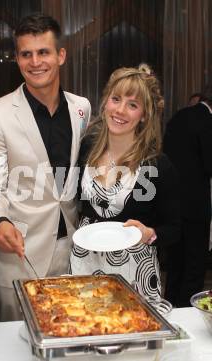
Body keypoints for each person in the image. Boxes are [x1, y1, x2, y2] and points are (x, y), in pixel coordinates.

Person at [0, 14, 91, 321]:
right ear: (17, 59)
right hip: (19, 253)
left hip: (72, 252)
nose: (35, 61)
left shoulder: (82, 108)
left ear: (61, 55)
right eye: (26, 54)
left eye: (44, 52)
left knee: (72, 335)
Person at [69, 64, 180, 300]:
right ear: (105, 102)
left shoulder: (157, 165)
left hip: (134, 273)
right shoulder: (85, 149)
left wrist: (150, 233)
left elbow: (175, 228)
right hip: (84, 264)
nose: (120, 110)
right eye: (116, 99)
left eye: (132, 105)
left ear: (144, 116)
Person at [163, 84, 212, 307]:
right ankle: (187, 316)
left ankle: (170, 309)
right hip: (195, 205)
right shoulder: (208, 122)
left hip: (171, 203)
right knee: (193, 267)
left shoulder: (180, 116)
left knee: (174, 265)